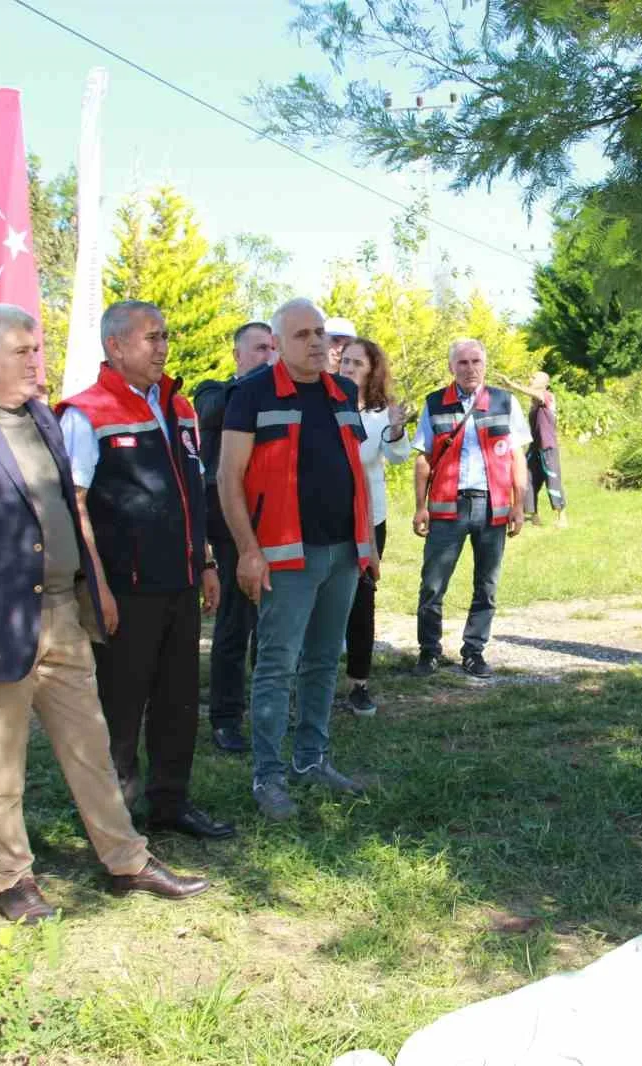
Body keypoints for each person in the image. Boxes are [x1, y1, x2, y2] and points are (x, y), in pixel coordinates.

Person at [0, 304, 208, 922]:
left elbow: (70, 511)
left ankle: (126, 861)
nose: (36, 364)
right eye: (22, 353)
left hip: (64, 614)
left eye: (37, 351)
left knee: (90, 746)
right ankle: (12, 878)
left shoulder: (41, 418)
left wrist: (93, 591)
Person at [57, 300, 234, 840]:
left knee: (178, 701)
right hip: (125, 591)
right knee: (120, 705)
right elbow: (75, 505)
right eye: (151, 338)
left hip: (179, 582)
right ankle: (111, 818)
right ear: (115, 346)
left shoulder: (179, 407)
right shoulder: (86, 412)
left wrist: (205, 560)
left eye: (165, 336)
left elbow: (192, 497)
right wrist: (97, 587)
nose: (162, 347)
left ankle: (170, 803)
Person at [217, 297, 378, 822]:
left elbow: (355, 469)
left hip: (342, 552)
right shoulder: (251, 393)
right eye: (303, 335)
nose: (316, 343)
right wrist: (247, 549)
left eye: (321, 334)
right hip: (285, 555)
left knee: (323, 659)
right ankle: (269, 775)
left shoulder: (342, 391)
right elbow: (228, 478)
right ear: (280, 343)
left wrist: (367, 542)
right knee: (276, 664)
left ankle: (311, 760)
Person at [411, 338, 530, 680]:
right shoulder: (435, 403)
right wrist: (421, 507)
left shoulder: (505, 402)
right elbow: (423, 457)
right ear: (451, 367)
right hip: (447, 506)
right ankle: (429, 651)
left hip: (493, 506)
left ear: (485, 364)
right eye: (462, 362)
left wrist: (518, 506)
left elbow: (517, 457)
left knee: (487, 585)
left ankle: (474, 651)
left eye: (476, 361)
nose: (470, 368)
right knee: (432, 584)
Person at [192, 322, 276, 752]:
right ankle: (225, 717)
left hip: (278, 520)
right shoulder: (215, 390)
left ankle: (267, 710)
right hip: (230, 521)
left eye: (274, 349)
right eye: (260, 348)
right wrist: (265, 377)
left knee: (273, 623)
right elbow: (208, 412)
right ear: (237, 355)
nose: (269, 356)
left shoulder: (284, 396)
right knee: (234, 622)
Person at [339, 337, 413, 716]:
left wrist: (397, 430)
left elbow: (398, 457)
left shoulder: (381, 412)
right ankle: (305, 682)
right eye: (345, 361)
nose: (348, 368)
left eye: (357, 363)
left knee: (361, 600)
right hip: (327, 516)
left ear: (372, 372)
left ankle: (358, 684)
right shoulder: (324, 404)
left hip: (369, 519)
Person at [501, 371, 566, 526]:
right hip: (534, 447)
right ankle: (533, 515)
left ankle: (562, 516)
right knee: (527, 479)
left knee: (552, 479)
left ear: (545, 382)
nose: (530, 379)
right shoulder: (533, 402)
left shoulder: (547, 396)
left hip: (548, 447)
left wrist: (513, 385)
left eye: (534, 377)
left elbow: (534, 393)